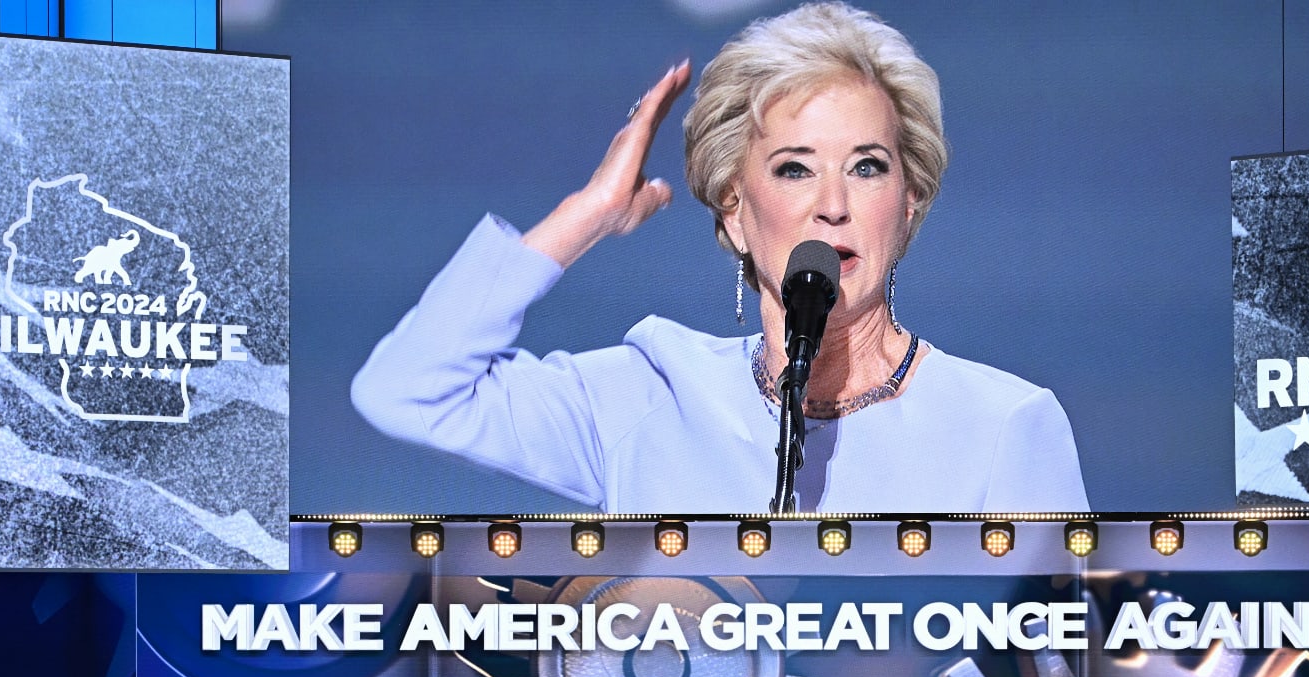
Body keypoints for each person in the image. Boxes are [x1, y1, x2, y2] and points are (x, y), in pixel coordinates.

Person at [351, 2, 1088, 514]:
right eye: (795, 169)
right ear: (734, 211)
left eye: (866, 167)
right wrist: (586, 216)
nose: (833, 204)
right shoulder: (650, 395)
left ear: (909, 203)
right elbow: (405, 391)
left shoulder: (1005, 424)